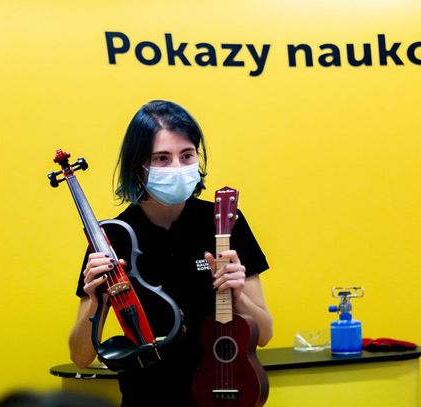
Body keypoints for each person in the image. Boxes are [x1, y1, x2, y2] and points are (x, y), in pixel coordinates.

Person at [69, 100, 273, 407]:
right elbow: (80, 357)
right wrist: (96, 300)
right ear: (138, 166)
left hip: (220, 395)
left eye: (187, 155)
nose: (177, 168)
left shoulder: (224, 221)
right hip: (146, 398)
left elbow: (265, 334)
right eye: (162, 158)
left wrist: (238, 295)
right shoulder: (113, 236)